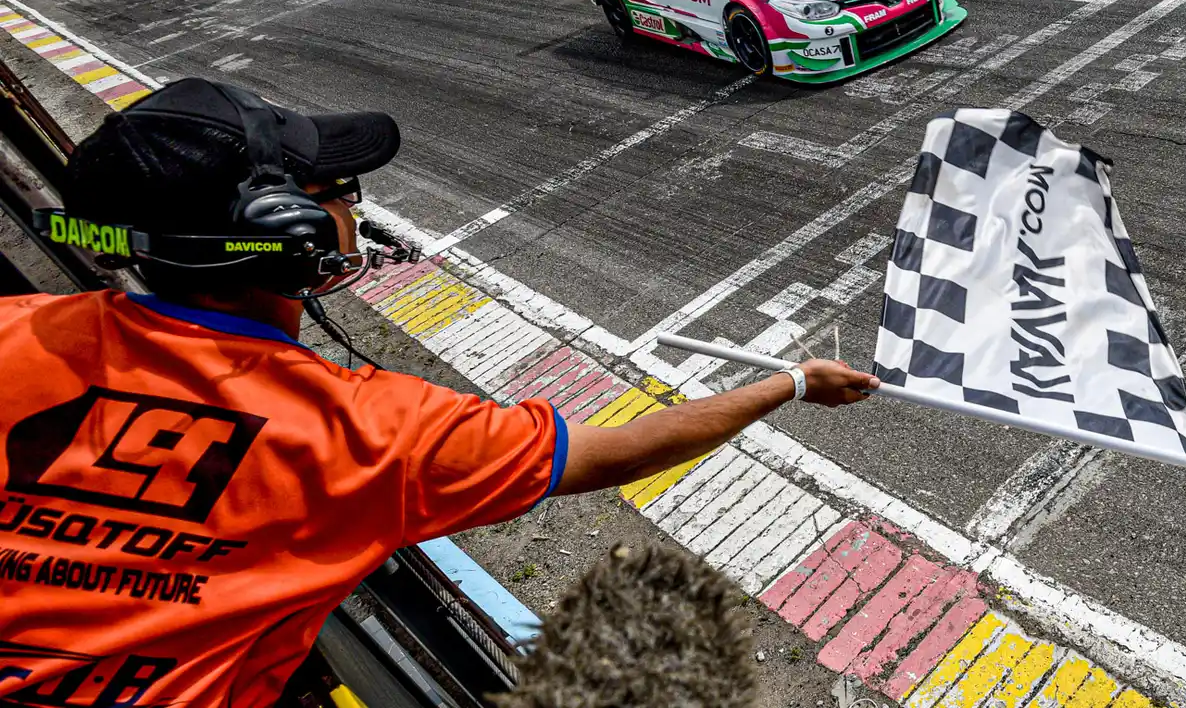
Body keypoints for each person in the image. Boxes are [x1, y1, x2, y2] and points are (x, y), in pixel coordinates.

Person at [0, 79, 877, 708]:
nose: (353, 203)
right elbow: (621, 447)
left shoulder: (15, 330)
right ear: (289, 232)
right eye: (338, 190)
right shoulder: (366, 432)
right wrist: (790, 381)